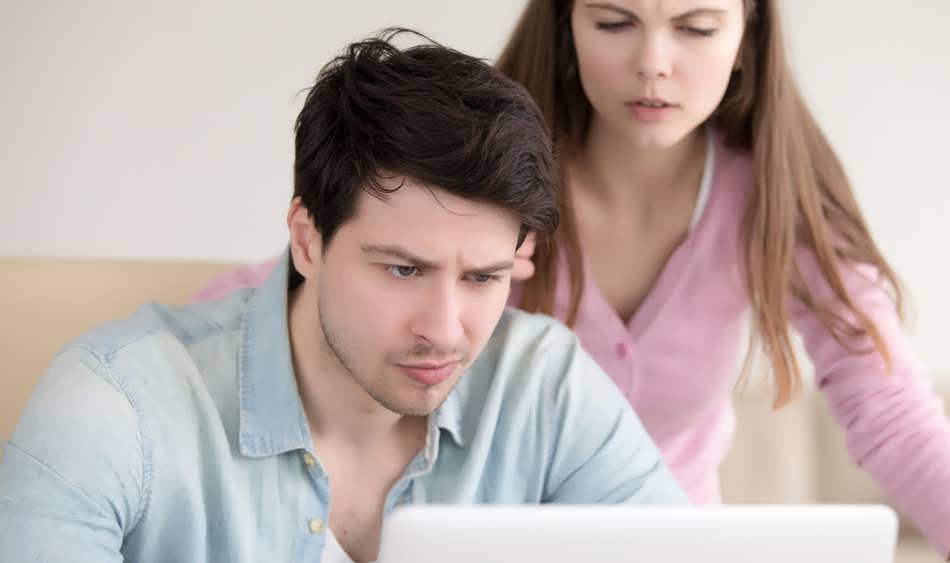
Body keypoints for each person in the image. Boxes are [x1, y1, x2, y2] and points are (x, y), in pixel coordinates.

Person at [196, 2, 950, 561]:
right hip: (481, 535)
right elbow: (336, 278)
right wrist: (180, 349)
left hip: (663, 541)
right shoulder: (495, 186)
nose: (654, 64)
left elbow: (887, 402)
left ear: (748, 34)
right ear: (566, 23)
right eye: (614, 22)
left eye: (696, 26)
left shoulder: (776, 197)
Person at [0, 31, 687, 563]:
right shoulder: (114, 410)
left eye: (482, 278)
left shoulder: (547, 387)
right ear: (307, 238)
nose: (445, 330)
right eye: (402, 270)